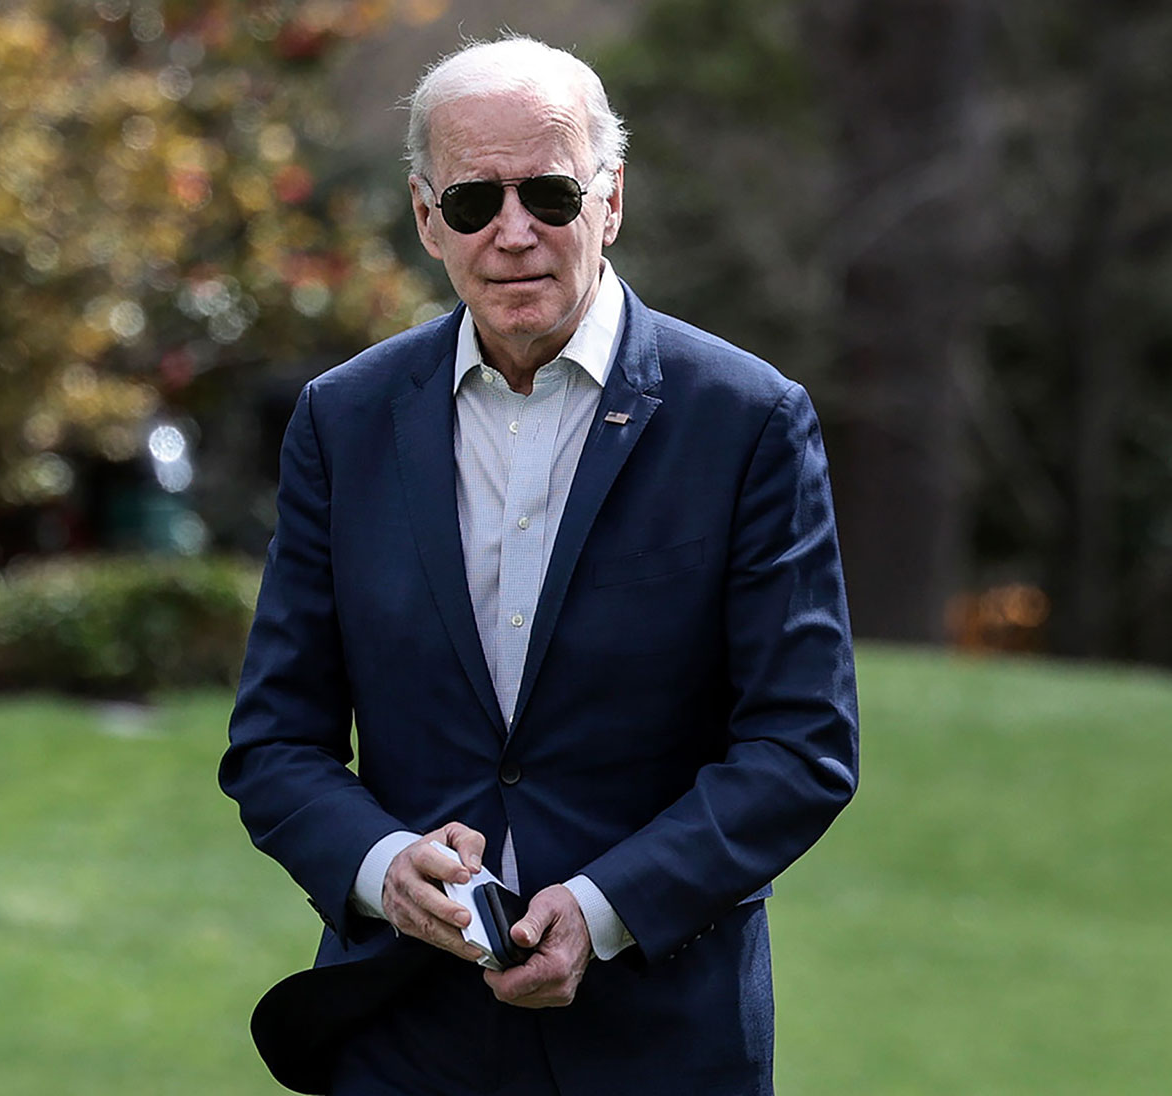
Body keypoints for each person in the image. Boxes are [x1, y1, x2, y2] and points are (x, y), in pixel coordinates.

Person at [220, 35, 859, 1096]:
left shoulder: (746, 421)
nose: (514, 232)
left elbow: (800, 748)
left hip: (659, 1041)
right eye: (474, 202)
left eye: (550, 194)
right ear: (427, 220)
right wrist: (384, 870)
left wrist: (606, 906)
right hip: (401, 1033)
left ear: (610, 200)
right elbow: (276, 742)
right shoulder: (342, 421)